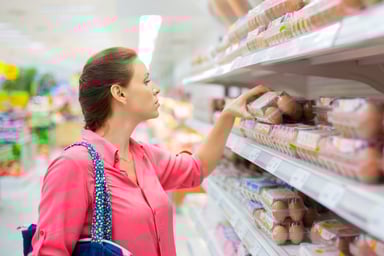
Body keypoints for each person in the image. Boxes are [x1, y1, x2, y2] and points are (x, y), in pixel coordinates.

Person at [31, 47, 269, 256]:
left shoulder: (144, 156)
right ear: (119, 93)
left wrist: (227, 115)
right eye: (145, 81)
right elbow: (50, 251)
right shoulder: (74, 166)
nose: (154, 89)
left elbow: (197, 169)